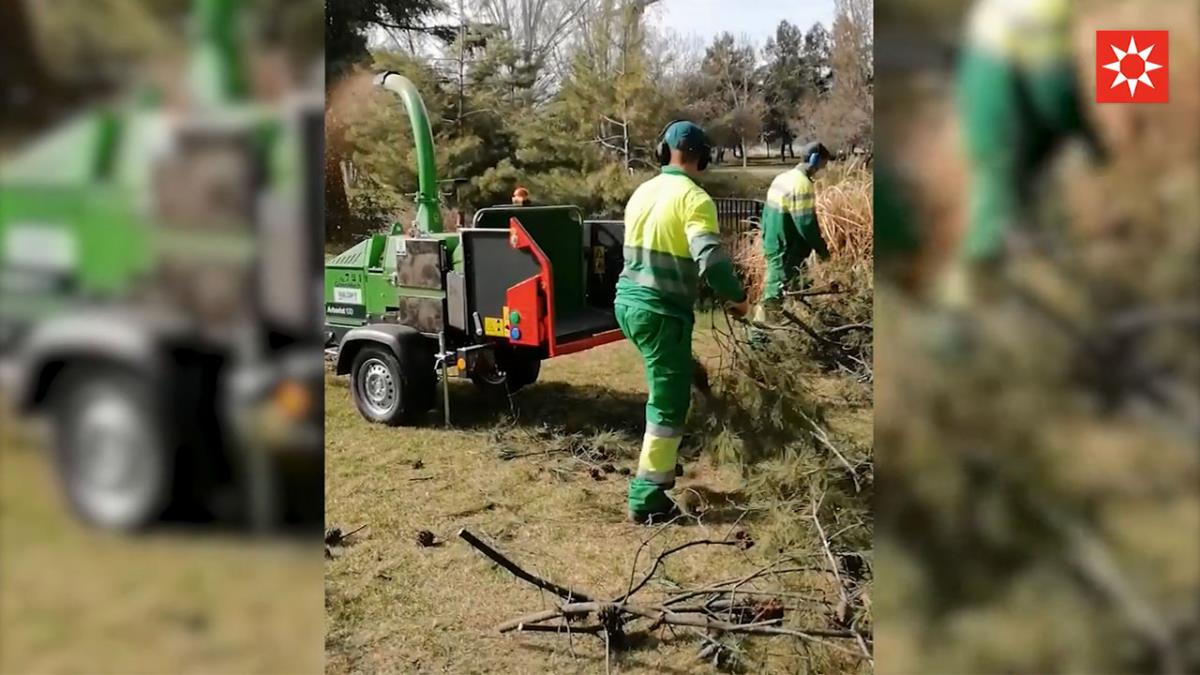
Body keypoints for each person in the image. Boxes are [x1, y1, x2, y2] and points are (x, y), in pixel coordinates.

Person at [616, 120, 749, 523]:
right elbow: (709, 258)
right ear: (703, 158)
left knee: (671, 373)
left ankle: (662, 462)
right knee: (668, 404)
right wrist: (739, 299)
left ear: (662, 152)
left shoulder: (643, 192)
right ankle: (647, 496)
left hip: (627, 304)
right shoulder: (694, 199)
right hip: (660, 313)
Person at [945, 0, 1103, 308]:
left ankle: (1024, 265)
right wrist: (1089, 139)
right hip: (998, 96)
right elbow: (1055, 92)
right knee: (997, 199)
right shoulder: (1048, 8)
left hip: (995, 83)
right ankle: (963, 308)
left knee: (1014, 191)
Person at [756, 141, 832, 322]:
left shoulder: (782, 178)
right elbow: (806, 225)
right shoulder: (802, 185)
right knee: (774, 293)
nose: (821, 169)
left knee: (796, 288)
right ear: (814, 159)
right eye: (822, 164)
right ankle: (759, 337)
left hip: (774, 243)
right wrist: (823, 251)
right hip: (786, 249)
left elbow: (766, 214)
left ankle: (791, 329)